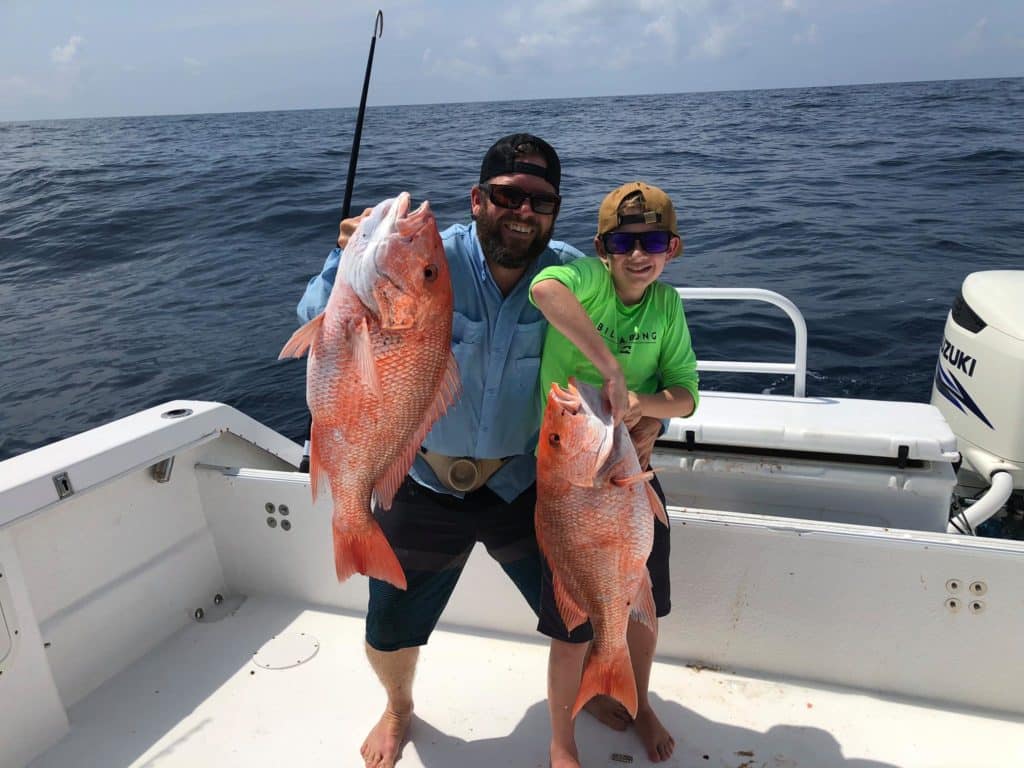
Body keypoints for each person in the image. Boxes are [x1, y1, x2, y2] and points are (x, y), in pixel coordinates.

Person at [296, 134, 585, 768]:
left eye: (540, 199)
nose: (523, 211)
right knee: (389, 628)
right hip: (422, 476)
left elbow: (618, 337)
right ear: (478, 199)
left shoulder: (571, 276)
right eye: (509, 195)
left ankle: (583, 701)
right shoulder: (431, 257)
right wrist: (340, 259)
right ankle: (399, 708)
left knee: (580, 612)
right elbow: (321, 325)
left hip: (523, 483)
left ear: (555, 210)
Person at [529, 181, 699, 768]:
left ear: (672, 247)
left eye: (653, 240)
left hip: (633, 479)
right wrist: (609, 371)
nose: (637, 254)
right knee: (571, 626)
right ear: (602, 248)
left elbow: (685, 397)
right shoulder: (586, 281)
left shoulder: (668, 306)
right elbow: (544, 288)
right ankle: (561, 738)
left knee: (644, 609)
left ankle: (639, 700)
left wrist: (643, 407)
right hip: (574, 490)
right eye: (622, 241)